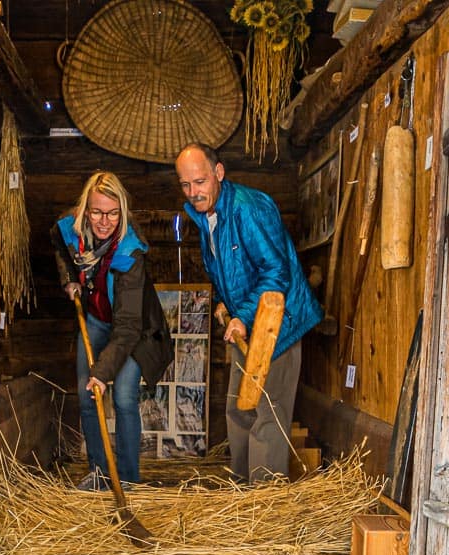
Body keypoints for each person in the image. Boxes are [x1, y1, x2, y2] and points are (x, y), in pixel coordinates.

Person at [175, 143, 322, 482]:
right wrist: (229, 304)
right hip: (245, 325)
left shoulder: (247, 209)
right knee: (238, 408)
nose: (193, 192)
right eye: (185, 185)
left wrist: (242, 314)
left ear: (219, 173)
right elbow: (232, 268)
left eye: (199, 182)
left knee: (267, 413)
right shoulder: (206, 216)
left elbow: (276, 273)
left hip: (278, 326)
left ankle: (263, 502)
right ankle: (241, 491)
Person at [53, 171, 174, 488]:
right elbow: (59, 242)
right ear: (85, 209)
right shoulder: (73, 229)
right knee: (86, 395)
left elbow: (128, 326)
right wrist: (69, 278)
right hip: (94, 319)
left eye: (112, 212)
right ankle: (99, 474)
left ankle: (129, 481)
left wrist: (103, 371)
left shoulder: (130, 254)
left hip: (135, 330)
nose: (104, 221)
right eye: (97, 212)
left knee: (121, 396)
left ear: (122, 210)